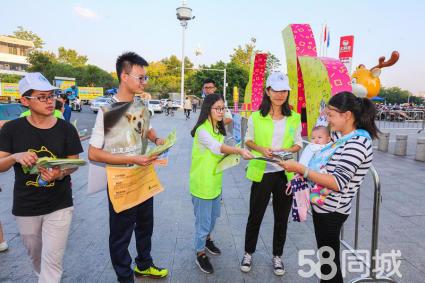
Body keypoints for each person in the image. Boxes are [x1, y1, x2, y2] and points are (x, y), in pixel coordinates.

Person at [280, 91, 378, 283]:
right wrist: (302, 173)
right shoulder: (342, 138)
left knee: (329, 263)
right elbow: (324, 166)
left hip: (332, 210)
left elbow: (337, 182)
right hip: (324, 206)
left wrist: (301, 168)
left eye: (331, 115)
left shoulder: (357, 143)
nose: (328, 119)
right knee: (327, 260)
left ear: (347, 115)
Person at [88, 52, 168, 283]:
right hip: (121, 183)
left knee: (145, 226)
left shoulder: (140, 104)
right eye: (140, 77)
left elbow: (145, 129)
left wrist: (157, 140)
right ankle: (125, 277)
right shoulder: (108, 112)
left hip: (144, 178)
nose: (144, 82)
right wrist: (130, 160)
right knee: (120, 236)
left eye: (145, 78)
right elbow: (93, 152)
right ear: (124, 76)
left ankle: (144, 264)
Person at [0, 72, 83, 283]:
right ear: (25, 101)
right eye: (42, 97)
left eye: (52, 96)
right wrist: (15, 157)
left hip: (60, 204)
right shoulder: (11, 129)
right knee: (35, 255)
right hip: (26, 205)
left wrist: (60, 172)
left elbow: (74, 162)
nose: (50, 101)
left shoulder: (65, 128)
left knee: (52, 261)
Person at [240, 72, 302, 276]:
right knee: (255, 215)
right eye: (275, 90)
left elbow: (298, 144)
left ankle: (278, 256)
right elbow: (248, 140)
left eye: (284, 90)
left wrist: (288, 150)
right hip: (262, 171)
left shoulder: (294, 117)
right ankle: (248, 253)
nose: (280, 94)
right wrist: (260, 148)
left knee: (281, 217)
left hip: (285, 173)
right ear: (268, 91)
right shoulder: (256, 117)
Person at [190, 94, 253, 274]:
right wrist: (238, 150)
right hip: (202, 184)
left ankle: (207, 240)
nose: (222, 112)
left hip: (214, 182)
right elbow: (217, 148)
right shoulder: (202, 130)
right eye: (218, 108)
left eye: (223, 108)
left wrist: (237, 149)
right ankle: (200, 253)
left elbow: (224, 145)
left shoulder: (217, 128)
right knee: (203, 222)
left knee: (213, 217)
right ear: (207, 109)